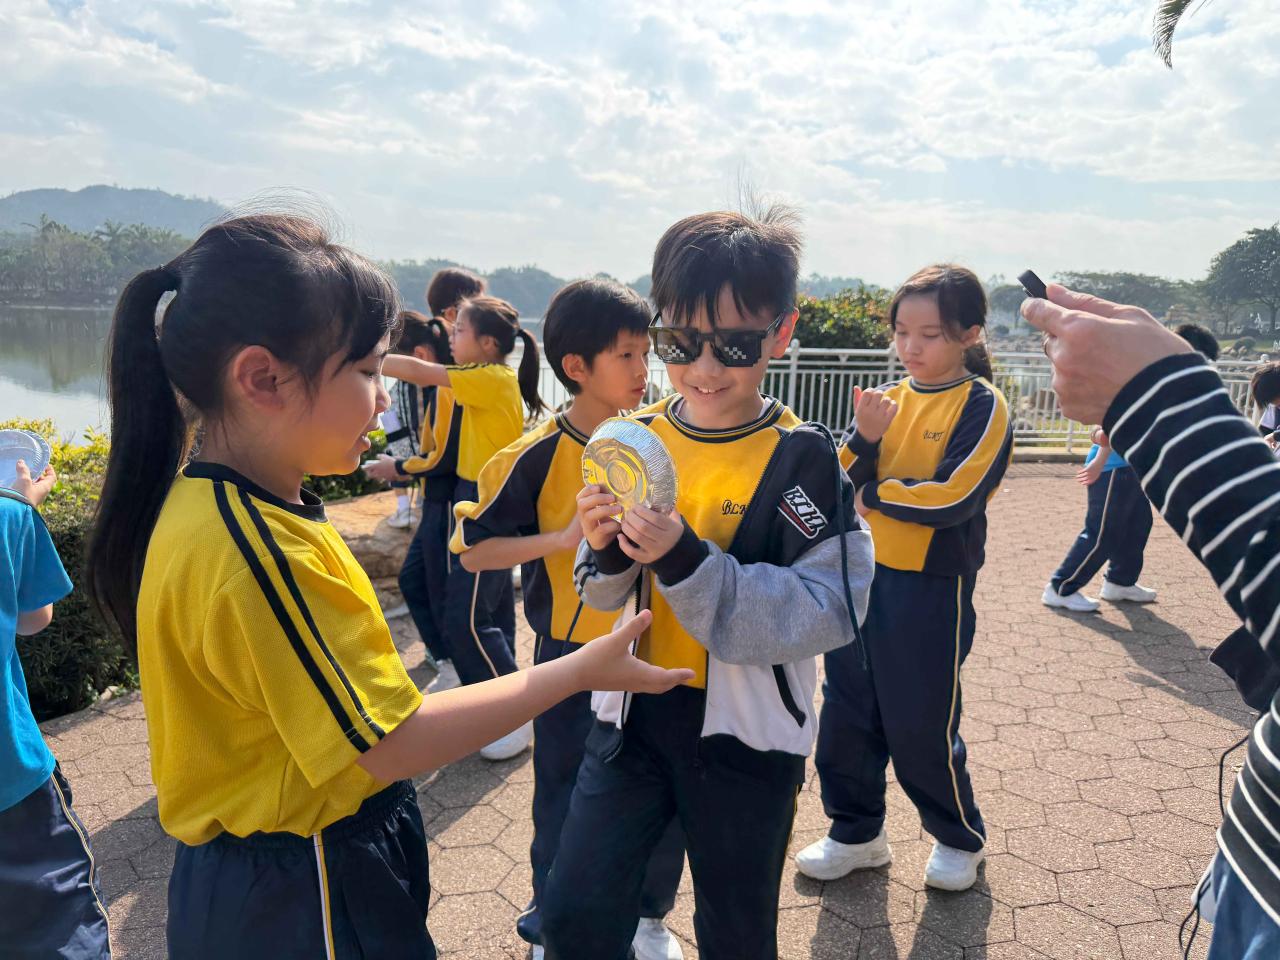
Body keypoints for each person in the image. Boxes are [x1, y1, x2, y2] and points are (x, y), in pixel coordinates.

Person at [83, 213, 692, 959]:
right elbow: (392, 741)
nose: (382, 400)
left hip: (275, 876)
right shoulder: (260, 554)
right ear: (262, 378)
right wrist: (577, 671)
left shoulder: (212, 503)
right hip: (304, 889)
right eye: (369, 371)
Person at [539, 209, 874, 960]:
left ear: (782, 334)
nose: (705, 367)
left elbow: (835, 607)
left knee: (736, 929)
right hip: (630, 717)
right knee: (572, 913)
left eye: (736, 345)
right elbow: (599, 590)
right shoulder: (637, 436)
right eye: (680, 342)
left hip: (747, 738)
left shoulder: (803, 459)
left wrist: (687, 560)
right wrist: (607, 551)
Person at [1024, 283, 1280, 959]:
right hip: (1254, 859)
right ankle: (1065, 585)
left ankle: (1107, 582)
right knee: (1106, 534)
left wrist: (1156, 399)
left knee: (1121, 538)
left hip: (1269, 897)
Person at [451, 279, 686, 960]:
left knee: (661, 790)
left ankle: (647, 917)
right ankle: (551, 921)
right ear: (577, 366)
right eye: (626, 355)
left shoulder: (665, 435)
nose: (643, 370)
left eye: (647, 354)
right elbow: (473, 551)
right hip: (568, 658)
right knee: (563, 795)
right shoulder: (533, 454)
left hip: (655, 649)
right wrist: (559, 540)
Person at [796, 264, 1013, 892]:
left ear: (970, 334)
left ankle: (958, 838)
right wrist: (865, 440)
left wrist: (875, 493)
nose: (911, 347)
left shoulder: (982, 404)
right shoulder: (886, 400)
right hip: (861, 577)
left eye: (931, 334)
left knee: (920, 718)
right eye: (901, 332)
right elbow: (835, 482)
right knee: (847, 711)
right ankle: (856, 832)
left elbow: (954, 497)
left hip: (931, 587)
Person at [382, 294, 539, 759]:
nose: (451, 337)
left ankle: (511, 717)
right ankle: (506, 705)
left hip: (489, 504)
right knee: (489, 611)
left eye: (460, 330)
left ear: (488, 344)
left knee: (465, 620)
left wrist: (366, 355)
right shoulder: (484, 378)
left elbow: (420, 371)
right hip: (481, 498)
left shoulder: (489, 378)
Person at [1, 458, 111, 958]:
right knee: (60, 930)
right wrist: (23, 507)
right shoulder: (9, 513)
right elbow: (33, 619)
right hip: (12, 785)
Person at [1042, 323, 1220, 612]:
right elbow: (1110, 428)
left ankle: (1119, 582)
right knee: (1103, 532)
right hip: (1115, 468)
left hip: (1134, 469)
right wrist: (1099, 462)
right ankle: (1060, 588)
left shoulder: (1168, 382)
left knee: (1137, 526)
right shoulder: (1150, 379)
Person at [364, 311, 463, 692]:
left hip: (448, 499)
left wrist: (399, 467)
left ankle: (454, 664)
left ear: (419, 355)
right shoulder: (436, 386)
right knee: (415, 580)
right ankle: (445, 657)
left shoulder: (443, 389)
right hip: (435, 498)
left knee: (437, 586)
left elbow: (437, 456)